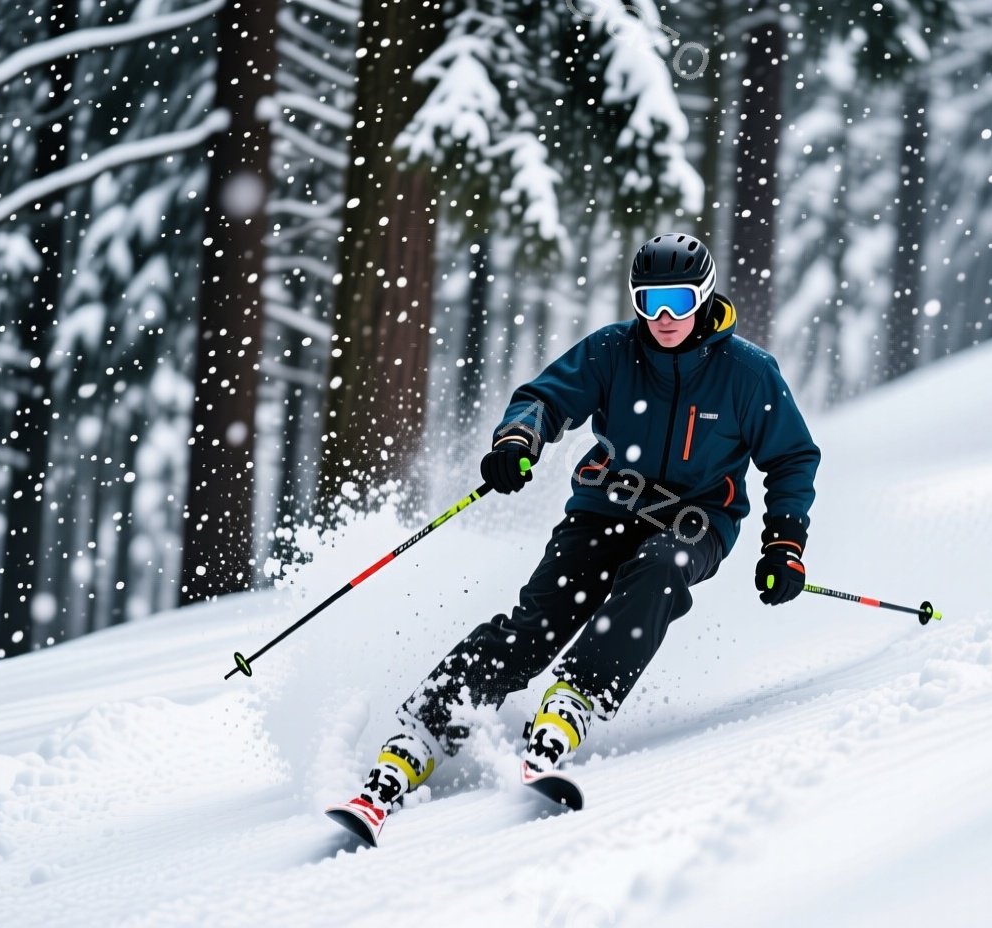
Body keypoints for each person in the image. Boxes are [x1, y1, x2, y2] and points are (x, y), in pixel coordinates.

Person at [328, 234, 821, 843]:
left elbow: (792, 459)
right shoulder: (614, 351)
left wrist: (784, 544)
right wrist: (518, 440)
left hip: (692, 524)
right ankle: (420, 734)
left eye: (679, 300)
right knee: (539, 622)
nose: (664, 317)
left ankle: (573, 701)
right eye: (650, 301)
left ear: (704, 297)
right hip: (604, 508)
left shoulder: (747, 373)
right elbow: (545, 398)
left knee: (661, 569)